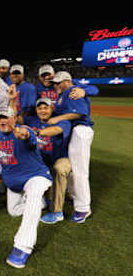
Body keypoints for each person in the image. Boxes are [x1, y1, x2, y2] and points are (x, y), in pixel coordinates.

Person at [0, 106, 52, 268]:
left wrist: (26, 135)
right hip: (14, 183)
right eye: (0, 118)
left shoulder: (22, 131)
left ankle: (22, 248)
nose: (2, 121)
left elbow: (29, 137)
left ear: (14, 119)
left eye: (6, 117)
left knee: (33, 199)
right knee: (14, 211)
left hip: (36, 176)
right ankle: (43, 203)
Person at [12, 96, 72, 224]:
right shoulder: (31, 120)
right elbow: (15, 118)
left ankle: (57, 212)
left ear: (52, 109)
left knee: (59, 169)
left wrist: (36, 133)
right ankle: (35, 198)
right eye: (40, 108)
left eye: (46, 108)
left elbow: (56, 130)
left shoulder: (61, 121)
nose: (43, 111)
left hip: (60, 158)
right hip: (41, 161)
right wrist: (12, 101)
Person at [49, 71, 94, 224]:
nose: (55, 85)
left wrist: (58, 118)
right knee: (73, 169)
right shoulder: (64, 93)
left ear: (67, 81)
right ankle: (75, 196)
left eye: (58, 82)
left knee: (80, 171)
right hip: (74, 132)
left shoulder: (72, 92)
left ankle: (83, 208)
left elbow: (80, 113)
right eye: (54, 83)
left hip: (80, 130)